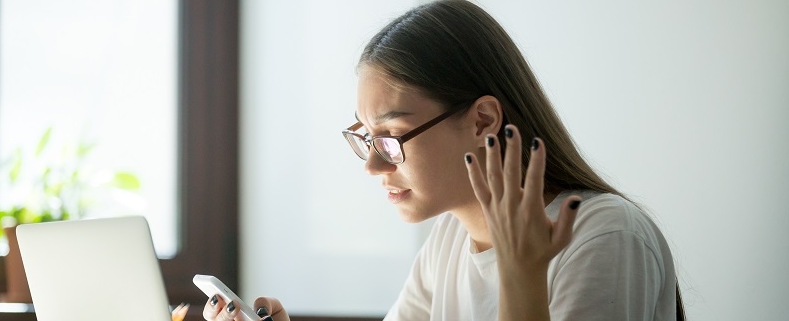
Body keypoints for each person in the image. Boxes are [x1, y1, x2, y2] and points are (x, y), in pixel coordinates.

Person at [203, 0, 685, 320]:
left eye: (391, 136)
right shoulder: (449, 240)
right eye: (366, 138)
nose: (373, 166)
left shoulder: (603, 235)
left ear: (482, 121)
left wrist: (522, 277)